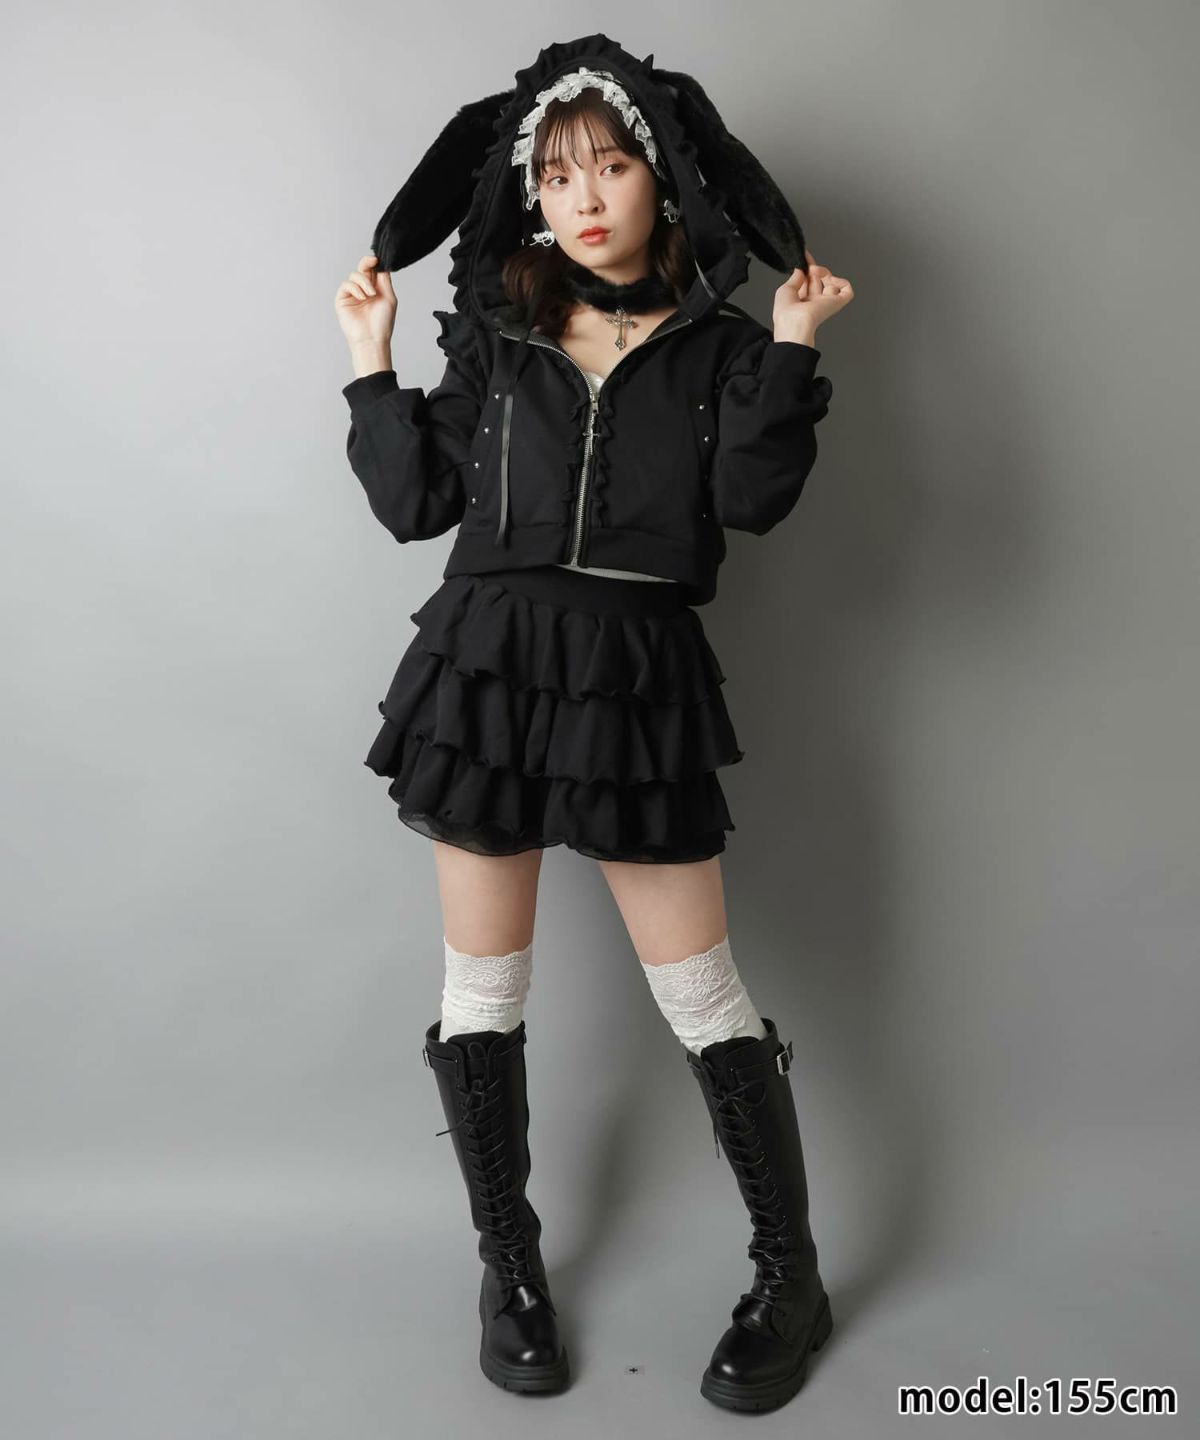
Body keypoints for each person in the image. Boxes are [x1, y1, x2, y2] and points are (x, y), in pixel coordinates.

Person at [333, 33, 853, 1414]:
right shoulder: (496, 340)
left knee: (704, 993)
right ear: (534, 195)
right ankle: (508, 1271)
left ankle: (790, 1275)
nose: (583, 197)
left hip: (637, 676)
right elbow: (414, 506)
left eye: (609, 165)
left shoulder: (721, 347)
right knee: (481, 993)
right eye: (557, 175)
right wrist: (371, 364)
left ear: (659, 180)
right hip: (487, 670)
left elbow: (750, 501)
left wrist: (793, 348)